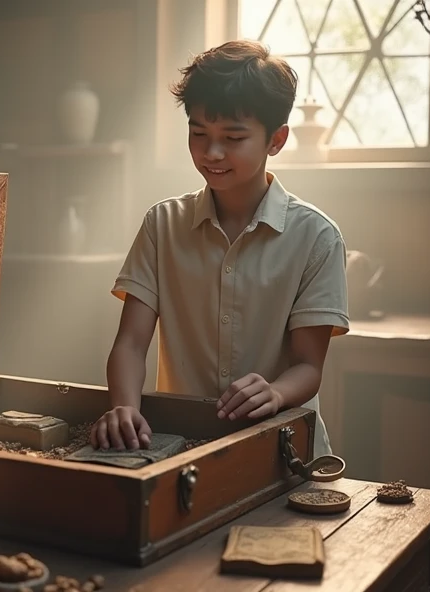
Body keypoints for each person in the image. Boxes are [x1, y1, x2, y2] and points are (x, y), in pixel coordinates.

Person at [89, 39, 349, 460]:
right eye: (198, 133)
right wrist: (124, 407)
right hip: (184, 448)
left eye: (233, 137)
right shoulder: (162, 225)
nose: (212, 152)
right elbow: (131, 344)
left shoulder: (317, 237)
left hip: (283, 453)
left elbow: (308, 366)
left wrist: (275, 391)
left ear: (276, 140)